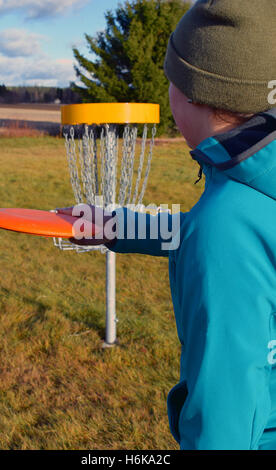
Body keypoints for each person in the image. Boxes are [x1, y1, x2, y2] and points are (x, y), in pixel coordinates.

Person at [58, 0, 276, 450]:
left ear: (195, 93)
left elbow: (224, 413)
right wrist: (123, 226)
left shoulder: (226, 224)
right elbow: (240, 236)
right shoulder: (257, 187)